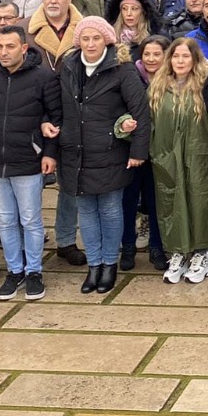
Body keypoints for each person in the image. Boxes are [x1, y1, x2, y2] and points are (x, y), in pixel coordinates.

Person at [55, 16, 151, 295]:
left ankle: (110, 264)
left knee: (110, 210)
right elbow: (60, 108)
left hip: (110, 152)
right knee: (85, 211)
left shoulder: (122, 69)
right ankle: (93, 265)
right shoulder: (70, 67)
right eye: (85, 38)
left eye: (96, 38)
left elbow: (141, 112)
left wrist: (137, 151)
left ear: (107, 40)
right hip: (76, 152)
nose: (91, 44)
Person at [0, 26, 60, 301]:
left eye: (10, 47)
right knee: (6, 220)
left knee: (30, 219)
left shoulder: (43, 77)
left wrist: (49, 153)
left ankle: (34, 271)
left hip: (27, 159)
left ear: (23, 48)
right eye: (0, 47)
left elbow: (55, 117)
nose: (4, 52)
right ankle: (15, 270)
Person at [147, 37, 208, 284]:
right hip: (166, 156)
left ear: (195, 59)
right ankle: (178, 252)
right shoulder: (158, 87)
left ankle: (201, 253)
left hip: (199, 155)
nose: (180, 61)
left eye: (185, 56)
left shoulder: (205, 86)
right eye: (176, 56)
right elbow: (148, 120)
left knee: (199, 202)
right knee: (170, 204)